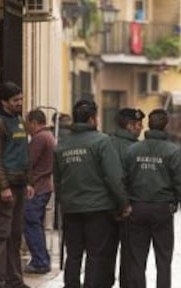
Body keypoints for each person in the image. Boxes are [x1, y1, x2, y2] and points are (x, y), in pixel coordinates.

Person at [53, 99, 132, 288]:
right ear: (92, 119)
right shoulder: (102, 141)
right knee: (96, 254)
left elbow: (57, 179)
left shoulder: (61, 144)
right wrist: (123, 204)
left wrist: (64, 202)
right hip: (98, 209)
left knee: (73, 253)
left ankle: (71, 285)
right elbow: (113, 177)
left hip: (71, 209)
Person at [123, 109, 181, 288]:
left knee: (137, 259)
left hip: (137, 208)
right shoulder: (173, 151)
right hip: (162, 209)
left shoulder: (133, 150)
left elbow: (123, 179)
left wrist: (125, 204)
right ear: (165, 125)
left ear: (148, 124)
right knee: (163, 259)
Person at [0, 82, 34, 288]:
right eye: (15, 101)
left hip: (21, 183)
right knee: (0, 233)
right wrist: (3, 187)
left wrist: (29, 181)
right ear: (3, 101)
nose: (20, 103)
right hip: (5, 186)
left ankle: (14, 280)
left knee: (15, 234)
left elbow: (24, 153)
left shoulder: (19, 121)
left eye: (21, 99)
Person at [110, 107, 145, 288]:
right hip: (129, 208)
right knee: (129, 257)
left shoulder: (106, 142)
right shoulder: (136, 148)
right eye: (139, 124)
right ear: (130, 125)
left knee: (104, 256)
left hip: (106, 207)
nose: (141, 128)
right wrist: (124, 204)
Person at [23, 109, 56, 274]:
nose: (26, 128)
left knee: (31, 224)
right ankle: (42, 259)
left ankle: (40, 261)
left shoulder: (39, 138)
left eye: (27, 124)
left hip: (36, 188)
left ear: (34, 123)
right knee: (36, 225)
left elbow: (28, 162)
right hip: (44, 187)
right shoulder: (49, 136)